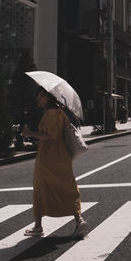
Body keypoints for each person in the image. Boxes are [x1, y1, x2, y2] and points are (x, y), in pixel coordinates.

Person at [22, 87, 86, 238]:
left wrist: (29, 133)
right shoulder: (60, 113)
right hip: (62, 156)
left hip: (47, 158)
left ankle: (38, 226)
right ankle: (79, 219)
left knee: (40, 189)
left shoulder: (50, 114)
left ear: (48, 97)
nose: (37, 98)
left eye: (40, 95)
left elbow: (48, 136)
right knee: (68, 188)